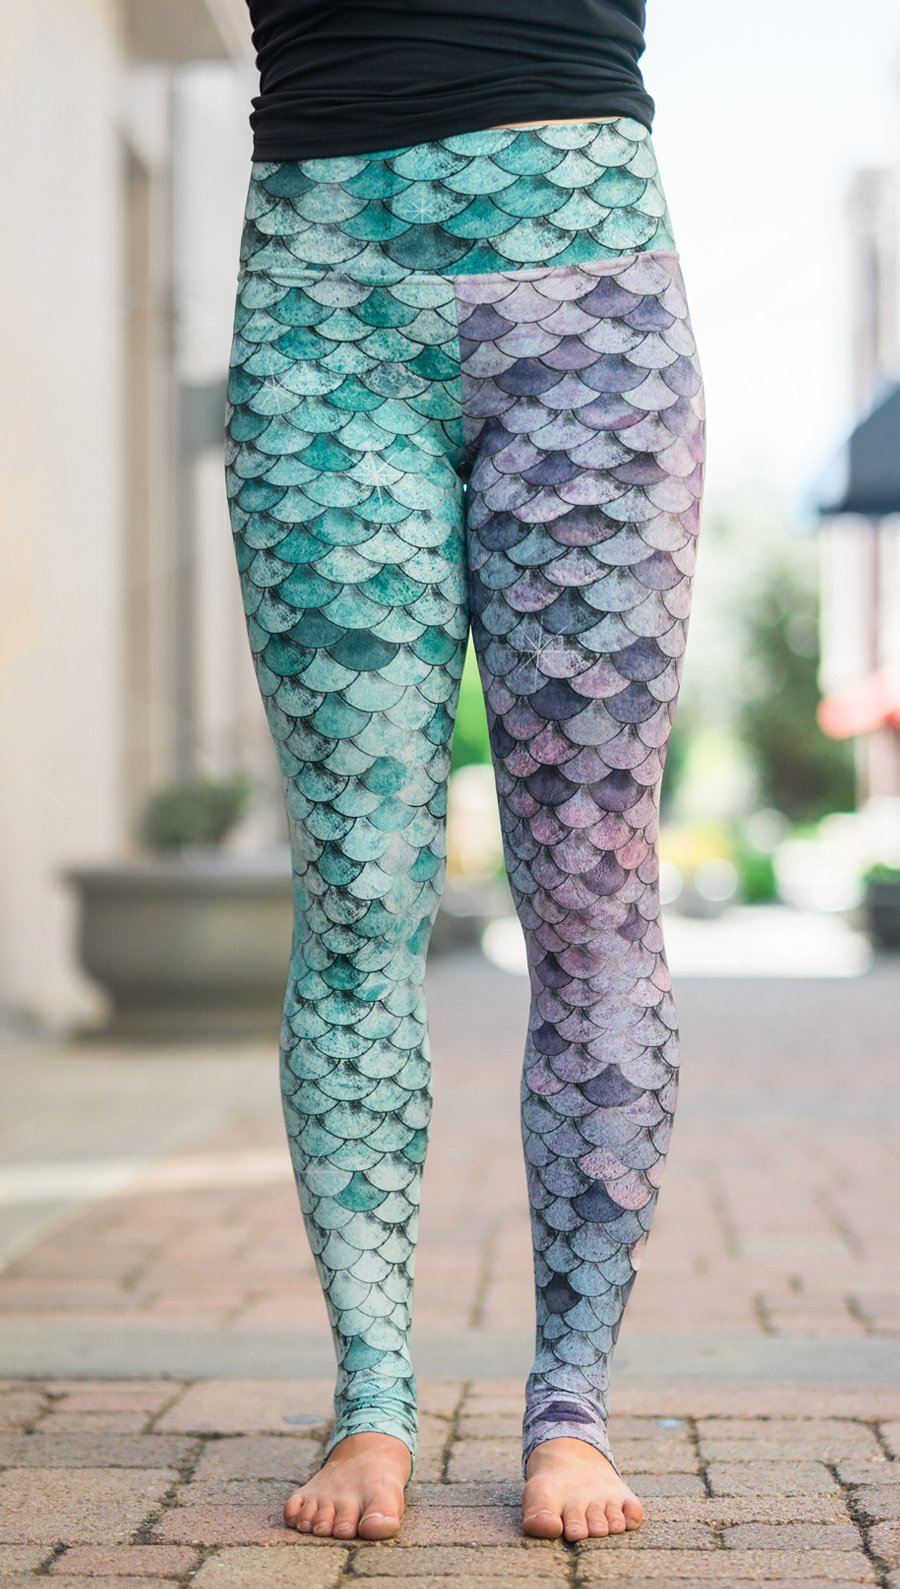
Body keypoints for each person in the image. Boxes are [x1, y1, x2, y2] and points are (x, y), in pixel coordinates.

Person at [224, 0, 706, 1547]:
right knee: (358, 889)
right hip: (320, 291)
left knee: (593, 889)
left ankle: (571, 1408)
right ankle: (371, 1395)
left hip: (588, 285)